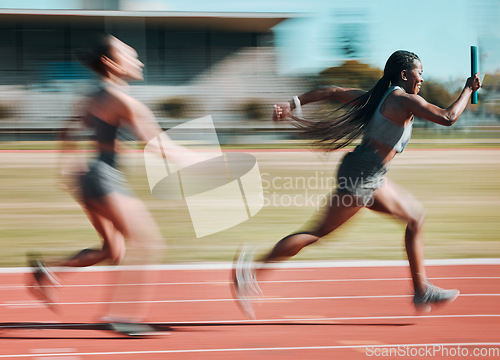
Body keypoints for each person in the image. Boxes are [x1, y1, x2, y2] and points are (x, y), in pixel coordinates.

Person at [233, 50, 481, 319]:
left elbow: (332, 91)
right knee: (317, 232)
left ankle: (421, 291)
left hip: (370, 175)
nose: (422, 77)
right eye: (419, 72)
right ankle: (250, 271)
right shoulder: (404, 101)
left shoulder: (378, 98)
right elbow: (447, 117)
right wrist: (468, 88)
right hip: (362, 176)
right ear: (404, 74)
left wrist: (292, 104)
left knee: (415, 218)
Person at [28, 34, 199, 335]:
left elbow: (68, 128)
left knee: (112, 250)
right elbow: (161, 147)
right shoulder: (124, 101)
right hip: (106, 179)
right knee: (149, 244)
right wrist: (208, 160)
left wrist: (67, 167)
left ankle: (48, 270)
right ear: (111, 63)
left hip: (90, 178)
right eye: (130, 56)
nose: (138, 61)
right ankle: (123, 318)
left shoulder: (93, 96)